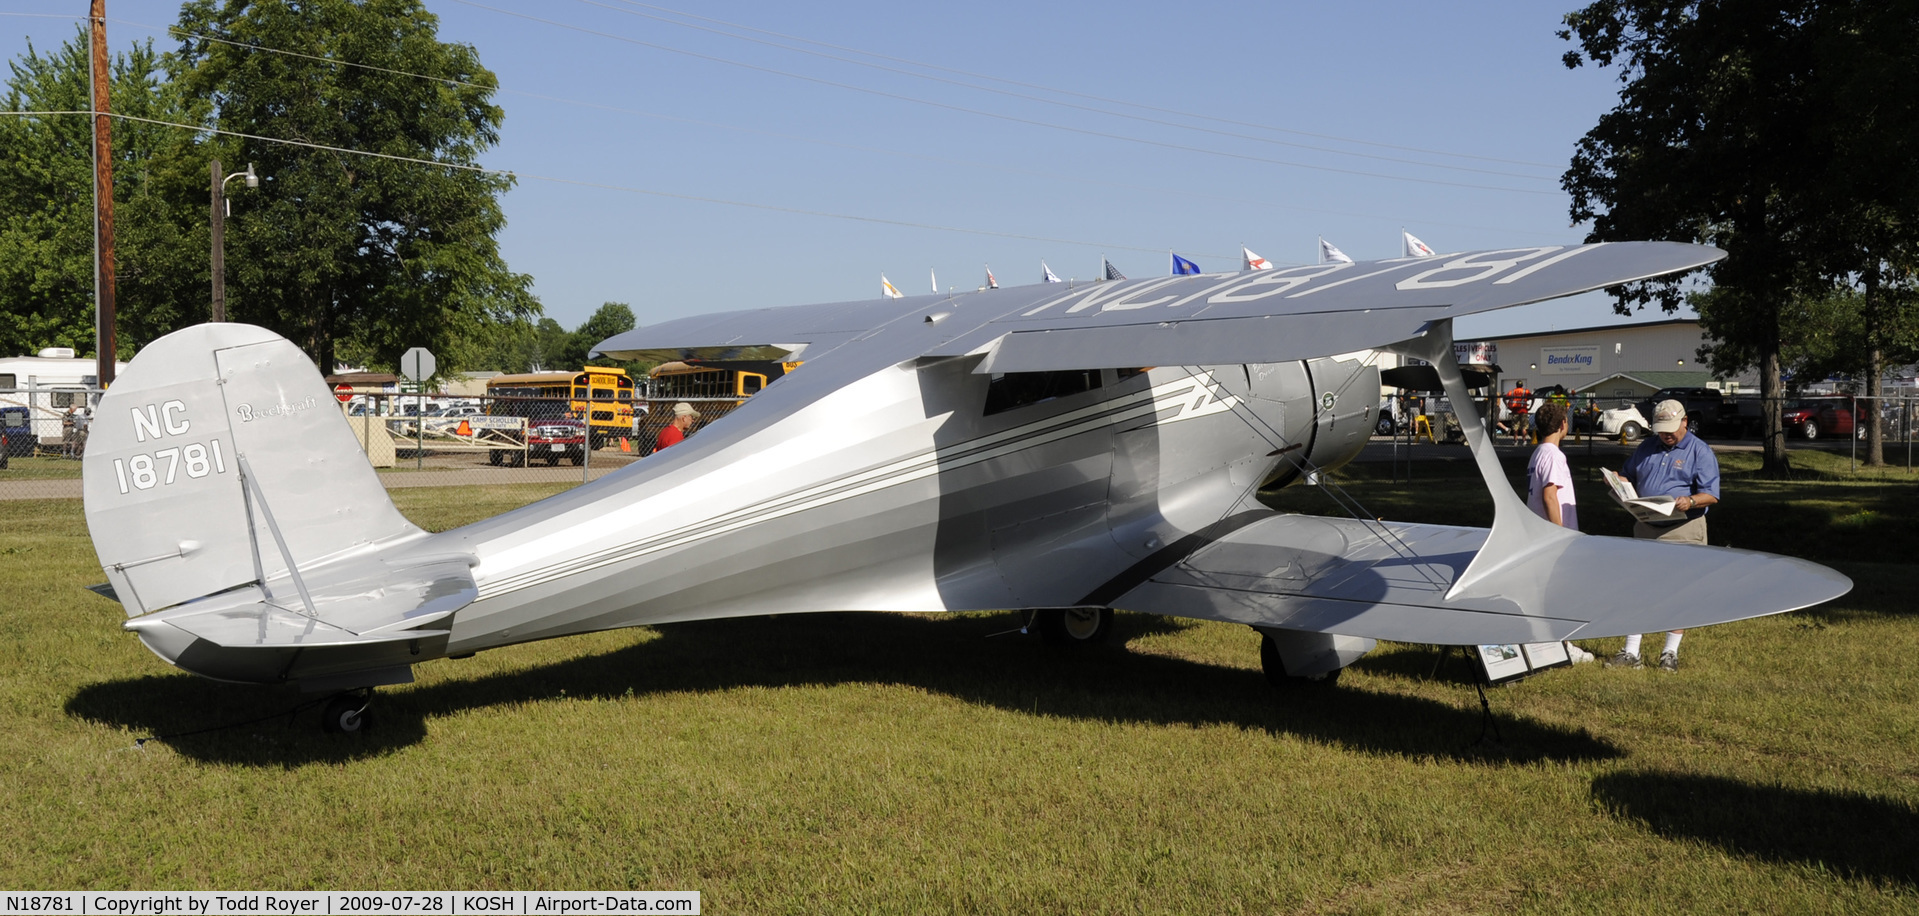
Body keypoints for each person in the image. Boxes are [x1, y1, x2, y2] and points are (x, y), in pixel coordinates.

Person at [1608, 399, 1721, 672]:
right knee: (1638, 588)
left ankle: (1669, 653)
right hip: (1646, 526)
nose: (1666, 435)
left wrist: (1691, 502)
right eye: (1661, 430)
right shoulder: (1647, 447)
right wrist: (1616, 480)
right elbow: (1628, 475)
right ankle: (1631, 651)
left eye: (1670, 429)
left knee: (1677, 592)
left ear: (1684, 422)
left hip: (1683, 529)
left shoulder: (1700, 451)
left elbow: (1712, 495)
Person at [1525, 401, 1594, 663]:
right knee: (1559, 592)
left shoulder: (1538, 453)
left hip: (1537, 533)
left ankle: (1548, 643)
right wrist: (1560, 533)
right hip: (1552, 536)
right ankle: (1563, 646)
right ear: (1563, 425)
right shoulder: (1554, 455)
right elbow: (1550, 495)